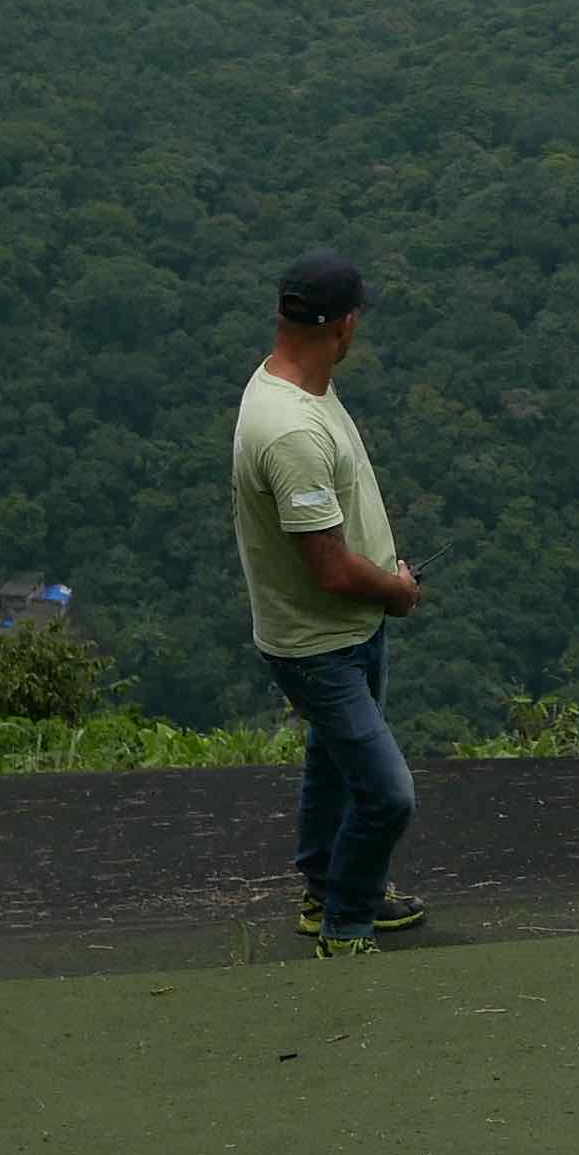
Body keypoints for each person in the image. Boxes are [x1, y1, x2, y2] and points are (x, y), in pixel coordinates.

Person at [231, 249, 427, 956]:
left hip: (345, 630)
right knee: (387, 793)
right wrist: (397, 590)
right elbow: (331, 572)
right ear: (344, 326)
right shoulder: (291, 430)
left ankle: (326, 890)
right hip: (321, 644)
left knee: (333, 761)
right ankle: (346, 925)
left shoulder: (299, 388)